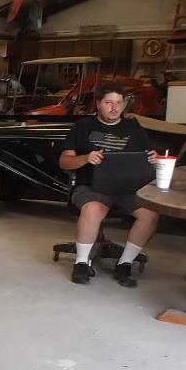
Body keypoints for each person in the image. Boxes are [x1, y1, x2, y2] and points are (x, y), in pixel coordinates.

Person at [58, 80, 159, 288]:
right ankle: (81, 263)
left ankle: (125, 263)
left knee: (150, 213)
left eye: (119, 103)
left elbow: (149, 155)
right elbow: (64, 161)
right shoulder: (83, 127)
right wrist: (85, 158)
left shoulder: (133, 128)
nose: (114, 108)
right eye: (109, 103)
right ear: (98, 104)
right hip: (92, 187)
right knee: (93, 209)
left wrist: (153, 158)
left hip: (128, 189)